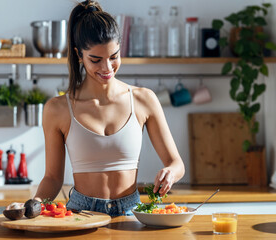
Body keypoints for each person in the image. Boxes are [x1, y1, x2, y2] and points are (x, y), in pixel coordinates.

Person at [32, 0, 185, 217]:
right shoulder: (57, 109)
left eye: (114, 57)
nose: (107, 68)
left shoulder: (143, 99)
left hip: (132, 211)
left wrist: (171, 172)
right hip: (80, 213)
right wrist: (34, 204)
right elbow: (53, 178)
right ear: (78, 55)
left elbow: (176, 163)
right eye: (95, 60)